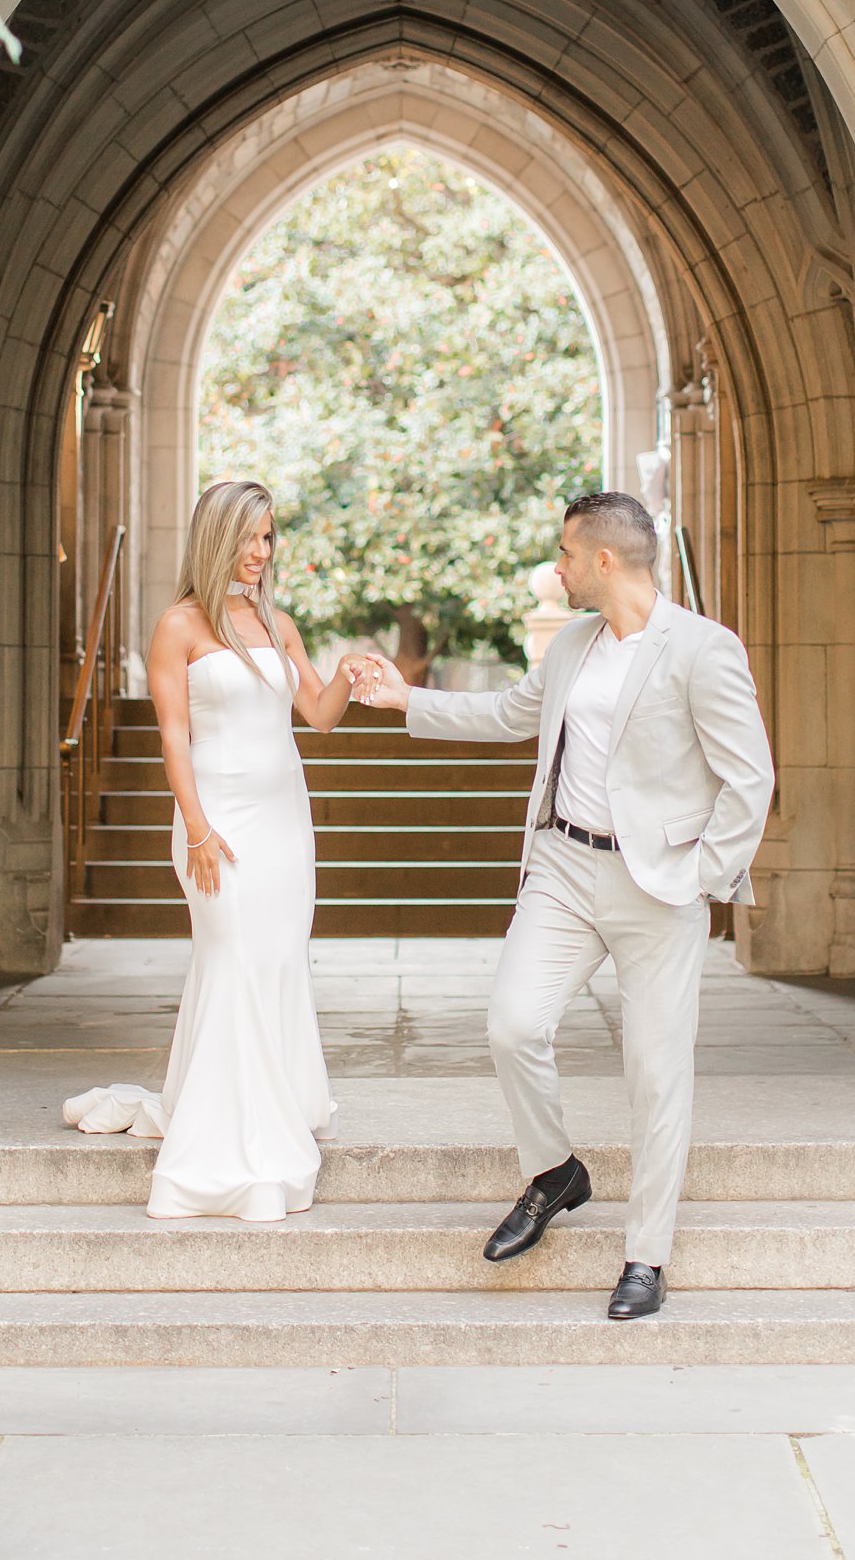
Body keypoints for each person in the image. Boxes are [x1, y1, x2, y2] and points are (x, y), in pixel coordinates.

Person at [355, 489, 774, 1319]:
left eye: (565, 554)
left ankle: (646, 1255)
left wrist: (702, 876)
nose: (557, 566)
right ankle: (554, 1172)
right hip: (562, 865)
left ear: (605, 560)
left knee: (656, 1073)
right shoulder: (575, 641)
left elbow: (749, 778)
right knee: (512, 1022)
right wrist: (404, 700)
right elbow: (512, 713)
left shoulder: (702, 650)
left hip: (658, 884)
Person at [64, 479, 358, 1221]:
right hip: (216, 822)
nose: (261, 552)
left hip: (285, 821)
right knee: (230, 959)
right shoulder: (180, 626)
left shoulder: (278, 624)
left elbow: (318, 715)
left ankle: (273, 1099)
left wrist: (351, 672)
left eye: (269, 537)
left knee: (278, 960)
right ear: (218, 537)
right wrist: (194, 823)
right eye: (250, 537)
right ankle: (227, 1139)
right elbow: (174, 735)